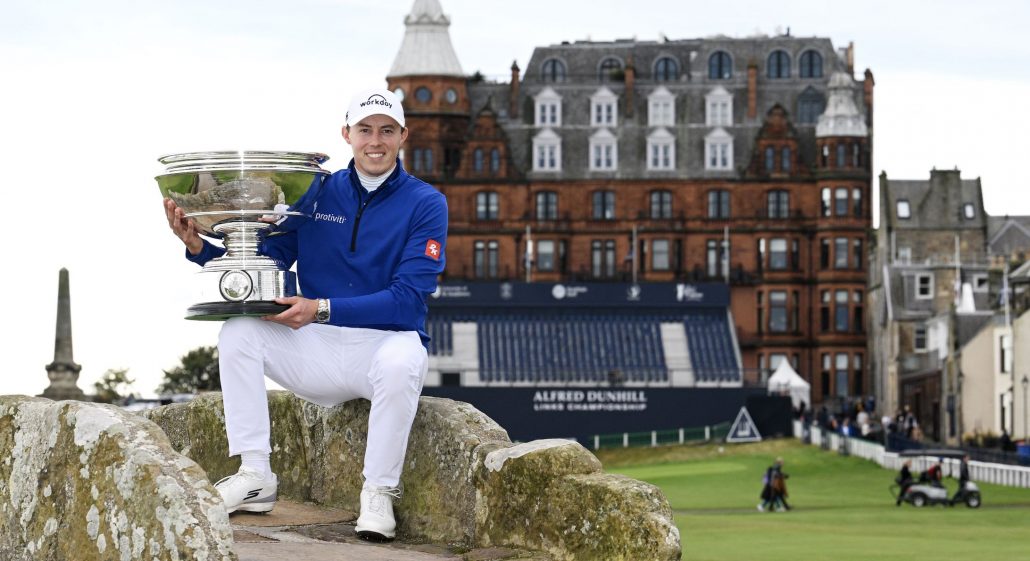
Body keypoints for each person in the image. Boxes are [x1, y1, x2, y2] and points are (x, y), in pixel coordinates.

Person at [162, 87, 448, 542]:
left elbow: (409, 300)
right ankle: (255, 475)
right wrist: (200, 248)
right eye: (365, 130)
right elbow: (269, 258)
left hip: (379, 345)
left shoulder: (426, 202)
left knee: (404, 359)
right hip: (315, 347)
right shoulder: (316, 192)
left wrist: (321, 309)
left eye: (387, 131)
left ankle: (377, 492)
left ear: (403, 136)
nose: (376, 141)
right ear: (346, 134)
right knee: (239, 331)